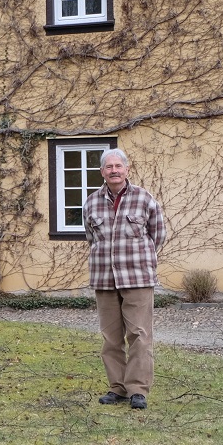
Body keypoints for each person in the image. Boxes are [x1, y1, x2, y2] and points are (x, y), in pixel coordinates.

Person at [83, 147, 167, 410]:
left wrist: (139, 258)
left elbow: (158, 235)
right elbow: (90, 238)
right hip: (104, 279)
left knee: (140, 335)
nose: (114, 171)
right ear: (102, 172)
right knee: (111, 337)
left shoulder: (144, 198)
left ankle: (137, 390)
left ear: (127, 169)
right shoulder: (91, 202)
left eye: (118, 166)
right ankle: (117, 388)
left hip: (137, 278)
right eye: (109, 167)